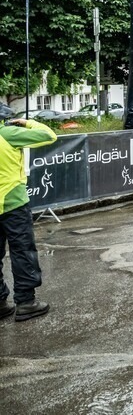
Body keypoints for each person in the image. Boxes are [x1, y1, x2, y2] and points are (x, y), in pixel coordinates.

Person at [0, 104, 56, 321]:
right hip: (12, 203)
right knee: (22, 251)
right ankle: (26, 302)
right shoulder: (9, 133)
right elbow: (48, 135)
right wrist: (28, 123)